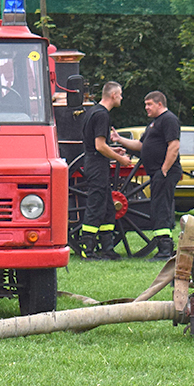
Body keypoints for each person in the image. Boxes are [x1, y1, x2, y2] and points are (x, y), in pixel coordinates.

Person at [111, 91, 181, 260]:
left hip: (165, 172)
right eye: (146, 104)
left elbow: (174, 146)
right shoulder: (154, 123)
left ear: (159, 104)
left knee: (162, 208)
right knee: (157, 207)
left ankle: (165, 249)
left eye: (149, 104)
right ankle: (163, 246)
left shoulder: (169, 119)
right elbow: (140, 145)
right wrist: (119, 139)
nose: (146, 108)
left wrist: (164, 170)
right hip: (157, 172)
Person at [80, 81, 131, 260]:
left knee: (108, 206)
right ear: (113, 95)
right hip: (97, 165)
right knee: (96, 205)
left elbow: (95, 144)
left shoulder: (92, 112)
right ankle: (87, 248)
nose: (121, 98)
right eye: (120, 94)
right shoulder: (102, 115)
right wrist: (121, 159)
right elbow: (99, 146)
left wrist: (113, 150)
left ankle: (107, 247)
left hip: (93, 161)